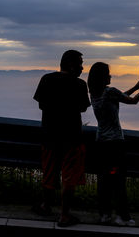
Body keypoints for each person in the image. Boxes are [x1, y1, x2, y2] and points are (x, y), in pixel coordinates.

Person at [33, 50, 91, 227]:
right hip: (72, 138)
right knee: (69, 178)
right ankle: (64, 216)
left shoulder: (46, 79)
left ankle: (46, 206)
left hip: (50, 136)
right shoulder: (80, 85)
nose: (82, 67)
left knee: (49, 173)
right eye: (80, 63)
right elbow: (83, 108)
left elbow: (41, 104)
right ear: (70, 65)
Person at [87, 62, 139, 226]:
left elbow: (121, 96)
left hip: (101, 145)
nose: (110, 76)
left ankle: (104, 214)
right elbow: (133, 101)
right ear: (102, 77)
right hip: (115, 146)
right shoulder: (110, 92)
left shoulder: (95, 93)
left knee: (104, 180)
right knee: (118, 179)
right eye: (107, 74)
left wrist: (135, 85)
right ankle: (122, 216)